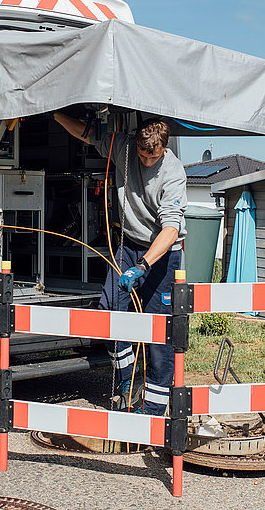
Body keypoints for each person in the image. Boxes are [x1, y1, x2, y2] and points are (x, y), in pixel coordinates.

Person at [53, 112, 187, 415]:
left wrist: (143, 266)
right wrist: (56, 114)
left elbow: (170, 230)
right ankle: (126, 379)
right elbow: (86, 132)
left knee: (158, 332)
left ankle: (153, 408)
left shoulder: (174, 173)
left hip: (163, 254)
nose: (147, 162)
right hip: (128, 244)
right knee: (109, 311)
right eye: (143, 155)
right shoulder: (125, 148)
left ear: (164, 149)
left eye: (153, 157)